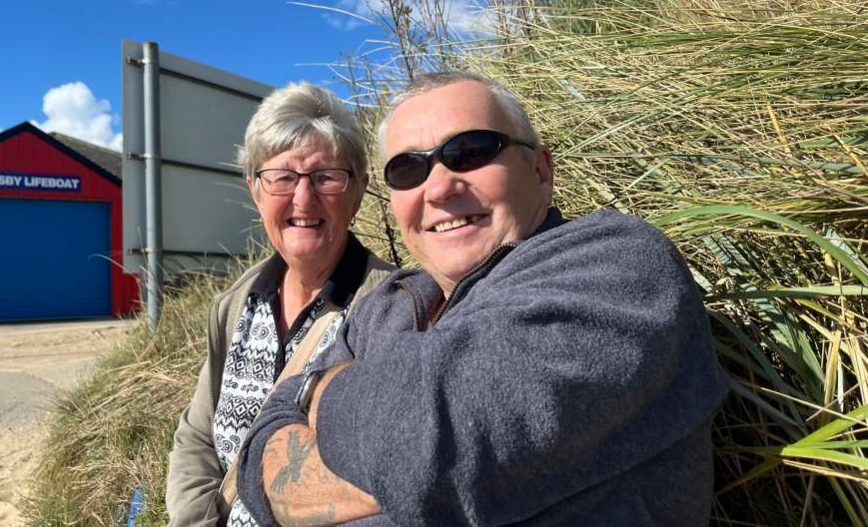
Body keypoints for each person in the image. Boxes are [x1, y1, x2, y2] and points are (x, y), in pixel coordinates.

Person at [233, 71, 729, 526]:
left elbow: (430, 447)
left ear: (539, 168)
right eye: (409, 170)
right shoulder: (385, 304)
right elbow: (257, 453)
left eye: (470, 151)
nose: (441, 187)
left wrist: (315, 391)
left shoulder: (619, 265)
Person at [165, 82, 394, 526]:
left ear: (359, 190)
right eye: (282, 178)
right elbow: (196, 437)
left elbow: (382, 482)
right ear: (254, 189)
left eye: (326, 176)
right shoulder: (234, 306)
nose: (303, 199)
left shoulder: (389, 310)